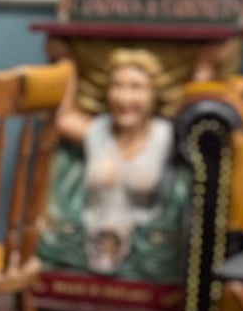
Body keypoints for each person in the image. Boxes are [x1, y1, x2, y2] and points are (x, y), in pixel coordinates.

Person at [58, 50, 175, 276]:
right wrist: (67, 61)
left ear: (154, 94)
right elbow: (63, 118)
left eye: (136, 88)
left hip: (145, 245)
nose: (124, 98)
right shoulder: (97, 131)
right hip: (89, 237)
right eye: (117, 86)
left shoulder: (165, 136)